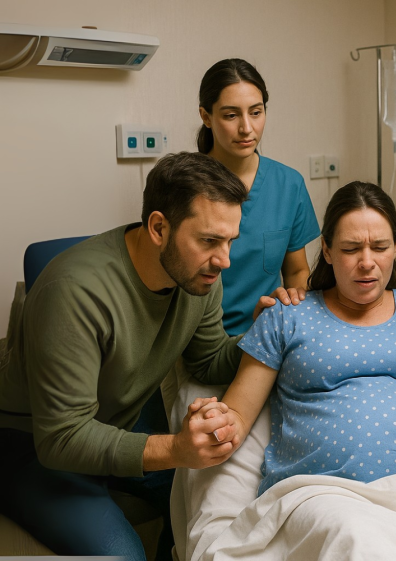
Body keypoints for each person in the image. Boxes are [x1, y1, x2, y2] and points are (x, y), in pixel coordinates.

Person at [198, 181, 396, 496]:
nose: (367, 262)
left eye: (380, 247)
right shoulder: (287, 314)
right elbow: (239, 412)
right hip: (324, 492)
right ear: (327, 250)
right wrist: (219, 423)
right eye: (351, 249)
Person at [0, 152, 249, 561]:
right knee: (123, 555)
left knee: (211, 507)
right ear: (159, 228)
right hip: (31, 444)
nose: (224, 260)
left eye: (229, 241)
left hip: (119, 417)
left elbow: (208, 360)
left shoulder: (199, 276)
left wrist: (268, 334)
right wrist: (175, 449)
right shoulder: (74, 292)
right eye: (208, 240)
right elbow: (62, 438)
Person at [197, 58, 320, 336]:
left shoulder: (288, 184)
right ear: (206, 117)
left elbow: (297, 272)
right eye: (231, 115)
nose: (246, 128)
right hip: (199, 340)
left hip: (268, 335)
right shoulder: (185, 186)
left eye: (255, 112)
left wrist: (292, 308)